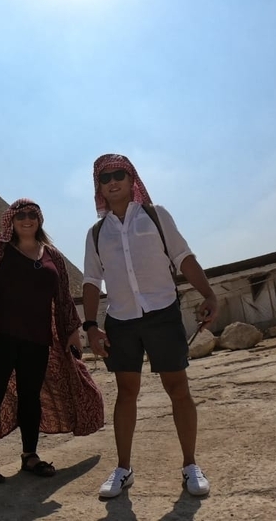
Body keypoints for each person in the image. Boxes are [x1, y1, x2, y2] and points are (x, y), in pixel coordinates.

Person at [82, 154, 219, 499]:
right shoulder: (96, 233)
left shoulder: (156, 216)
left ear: (132, 179)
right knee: (126, 393)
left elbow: (183, 257)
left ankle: (190, 465)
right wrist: (91, 326)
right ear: (98, 186)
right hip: (122, 320)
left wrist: (208, 294)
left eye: (119, 174)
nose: (112, 181)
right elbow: (91, 281)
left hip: (162, 312)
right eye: (104, 177)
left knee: (178, 389)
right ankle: (123, 469)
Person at [0, 198, 104, 483]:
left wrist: (71, 333)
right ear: (11, 220)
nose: (27, 220)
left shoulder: (52, 255)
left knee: (31, 398)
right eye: (21, 215)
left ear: (40, 220)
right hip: (0, 336)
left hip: (38, 339)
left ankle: (30, 455)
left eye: (33, 215)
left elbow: (64, 298)